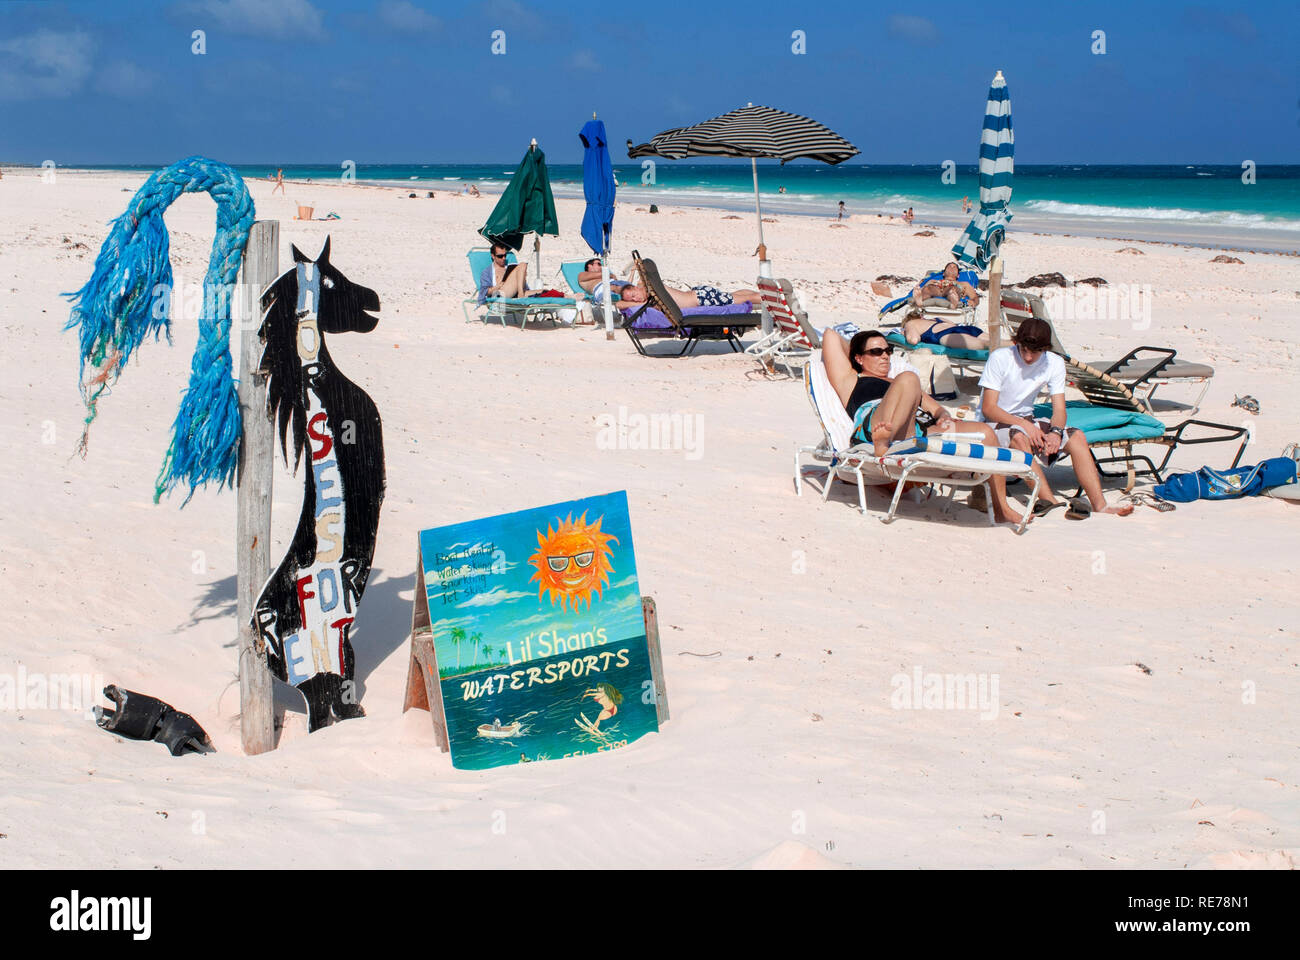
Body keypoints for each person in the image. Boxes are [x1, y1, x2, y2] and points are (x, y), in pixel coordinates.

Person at [822, 328, 1026, 523]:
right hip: (877, 425)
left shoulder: (899, 380)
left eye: (887, 350)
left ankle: (1001, 508)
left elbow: (938, 410)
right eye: (876, 352)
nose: (885, 356)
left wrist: (944, 416)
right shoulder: (851, 380)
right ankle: (884, 444)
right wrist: (857, 350)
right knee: (910, 378)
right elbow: (830, 335)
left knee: (986, 432)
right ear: (858, 358)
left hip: (914, 427)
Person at [977, 317, 1134, 518]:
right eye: (1023, 349)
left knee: (1076, 436)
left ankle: (1100, 504)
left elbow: (1059, 410)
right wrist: (1026, 425)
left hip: (1026, 418)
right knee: (1019, 437)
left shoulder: (1054, 362)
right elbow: (989, 408)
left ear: (1045, 349)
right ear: (1016, 343)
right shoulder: (1001, 357)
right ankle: (1049, 501)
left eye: (1034, 352)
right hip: (993, 423)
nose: (1028, 357)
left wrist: (1056, 433)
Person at [617, 279, 761, 310]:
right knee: (735, 296)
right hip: (700, 295)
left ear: (636, 287)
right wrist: (637, 301)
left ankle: (774, 299)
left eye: (634, 294)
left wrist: (639, 302)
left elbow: (619, 304)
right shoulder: (650, 294)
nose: (636, 299)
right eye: (632, 299)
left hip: (701, 299)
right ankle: (761, 294)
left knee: (745, 299)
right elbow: (619, 304)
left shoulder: (647, 286)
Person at [911, 261, 980, 310]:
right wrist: (920, 291)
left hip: (953, 289)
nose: (951, 268)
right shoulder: (933, 281)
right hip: (937, 290)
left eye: (954, 267)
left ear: (958, 275)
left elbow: (975, 297)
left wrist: (974, 302)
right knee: (927, 289)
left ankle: (953, 303)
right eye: (949, 267)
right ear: (943, 273)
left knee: (952, 290)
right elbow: (922, 289)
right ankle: (920, 302)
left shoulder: (964, 284)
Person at [901, 315, 988, 351]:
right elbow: (953, 324)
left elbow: (914, 340)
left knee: (984, 345)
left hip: (945, 335)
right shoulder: (937, 318)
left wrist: (905, 333)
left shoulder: (911, 323)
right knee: (997, 342)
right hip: (966, 328)